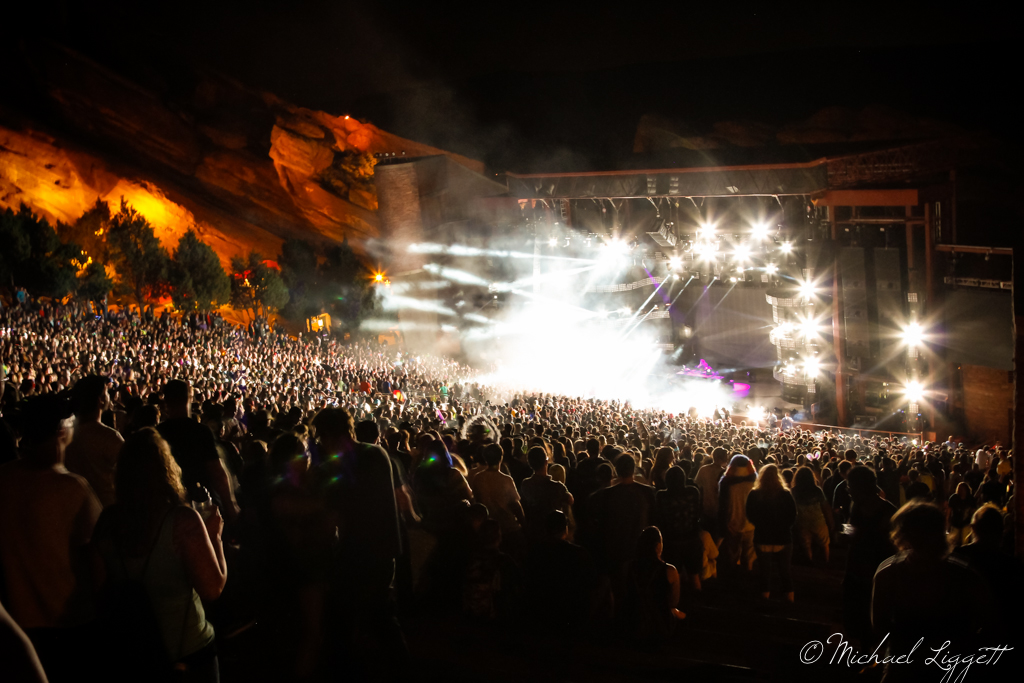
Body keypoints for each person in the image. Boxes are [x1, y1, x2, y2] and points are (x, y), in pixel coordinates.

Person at [91, 428, 226, 682]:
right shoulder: (182, 521)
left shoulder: (107, 522)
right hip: (187, 650)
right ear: (166, 469)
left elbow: (100, 590)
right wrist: (215, 537)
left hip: (131, 650)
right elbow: (213, 588)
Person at [0, 394, 102, 683]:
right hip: (73, 627)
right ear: (61, 429)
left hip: (18, 628)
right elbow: (100, 562)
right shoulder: (73, 489)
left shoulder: (2, 479)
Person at [313, 406, 407, 678]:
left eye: (321, 437)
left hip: (356, 555)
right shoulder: (377, 453)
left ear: (330, 435)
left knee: (342, 624)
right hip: (386, 550)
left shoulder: (338, 465)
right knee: (383, 618)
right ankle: (402, 669)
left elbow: (331, 520)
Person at [872, 502, 992, 682]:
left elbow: (880, 625)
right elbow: (986, 623)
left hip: (903, 666)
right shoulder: (964, 574)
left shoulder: (888, 573)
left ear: (904, 535)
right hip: (951, 665)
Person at [157, 380, 238, 521]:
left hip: (169, 508)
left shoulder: (157, 433)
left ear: (166, 400)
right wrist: (230, 508)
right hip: (199, 505)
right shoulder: (200, 432)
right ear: (189, 397)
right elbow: (217, 473)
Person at [843, 466, 896, 646]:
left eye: (850, 487)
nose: (848, 491)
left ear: (861, 488)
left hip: (877, 578)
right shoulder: (857, 507)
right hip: (857, 575)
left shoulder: (888, 514)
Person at [64, 375, 124, 508]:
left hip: (73, 507)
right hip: (104, 510)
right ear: (100, 400)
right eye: (106, 392)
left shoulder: (64, 433)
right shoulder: (109, 437)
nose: (109, 396)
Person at [745, 464, 797, 602]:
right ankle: (789, 600)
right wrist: (783, 527)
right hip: (783, 537)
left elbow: (750, 515)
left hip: (762, 537)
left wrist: (762, 525)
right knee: (785, 571)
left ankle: (765, 599)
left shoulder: (754, 494)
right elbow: (792, 516)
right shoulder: (785, 495)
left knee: (764, 571)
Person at [624, 527, 685, 644]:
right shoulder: (670, 571)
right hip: (659, 627)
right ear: (658, 546)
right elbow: (673, 603)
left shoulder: (628, 567)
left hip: (632, 622)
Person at [652, 467, 704, 590]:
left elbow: (659, 516)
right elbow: (698, 512)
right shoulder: (693, 492)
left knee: (675, 575)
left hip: (671, 540)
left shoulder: (662, 495)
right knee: (694, 575)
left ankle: (677, 601)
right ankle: (699, 602)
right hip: (692, 537)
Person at [519, 446, 573, 542]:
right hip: (554, 534)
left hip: (534, 531)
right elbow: (570, 500)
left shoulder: (525, 484)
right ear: (546, 462)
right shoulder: (557, 487)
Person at [718, 454, 756, 572]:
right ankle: (747, 576)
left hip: (732, 524)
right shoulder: (754, 484)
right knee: (748, 556)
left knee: (732, 555)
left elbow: (722, 507)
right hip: (751, 525)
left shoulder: (726, 484)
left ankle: (732, 576)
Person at [791, 466, 834, 564]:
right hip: (818, 521)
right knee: (824, 543)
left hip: (802, 522)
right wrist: (830, 522)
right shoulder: (817, 490)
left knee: (806, 544)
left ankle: (810, 562)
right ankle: (826, 562)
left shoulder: (794, 491)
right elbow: (825, 507)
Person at [693, 447, 728, 535]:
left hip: (706, 507)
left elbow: (698, 486)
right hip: (720, 509)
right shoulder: (725, 473)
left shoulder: (704, 469)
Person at [946, 481, 974, 547]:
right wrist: (948, 523)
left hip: (966, 523)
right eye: (960, 489)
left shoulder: (970, 499)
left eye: (963, 489)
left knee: (965, 542)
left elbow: (973, 512)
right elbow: (949, 512)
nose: (961, 491)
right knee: (953, 542)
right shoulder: (953, 498)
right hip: (955, 523)